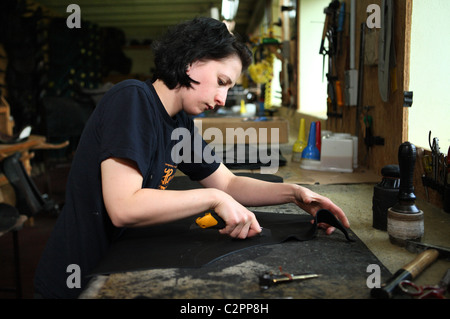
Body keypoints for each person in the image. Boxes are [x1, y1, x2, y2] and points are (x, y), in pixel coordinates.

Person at [34, 17, 350, 299]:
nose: (223, 99)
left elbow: (228, 182)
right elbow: (123, 207)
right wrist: (211, 198)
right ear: (192, 63)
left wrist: (294, 193)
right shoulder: (131, 100)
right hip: (77, 279)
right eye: (222, 82)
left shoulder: (179, 121)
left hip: (116, 262)